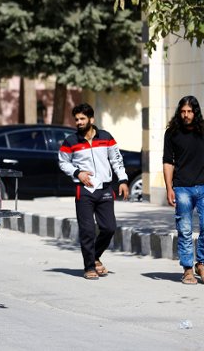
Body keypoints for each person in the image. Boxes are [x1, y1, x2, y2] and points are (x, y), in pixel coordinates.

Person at [58, 103, 129, 280]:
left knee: (109, 228)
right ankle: (89, 266)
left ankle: (95, 256)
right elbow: (63, 162)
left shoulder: (106, 137)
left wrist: (123, 180)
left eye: (82, 118)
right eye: (76, 119)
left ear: (91, 119)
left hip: (105, 189)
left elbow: (116, 160)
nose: (79, 122)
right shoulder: (71, 141)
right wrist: (77, 173)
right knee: (87, 230)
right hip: (84, 191)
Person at [163, 95, 204, 285]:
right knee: (185, 229)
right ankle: (188, 269)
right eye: (183, 111)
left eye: (189, 111)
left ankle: (202, 263)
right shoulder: (172, 133)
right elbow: (167, 161)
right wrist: (169, 188)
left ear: (195, 112)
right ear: (179, 112)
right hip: (182, 187)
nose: (186, 115)